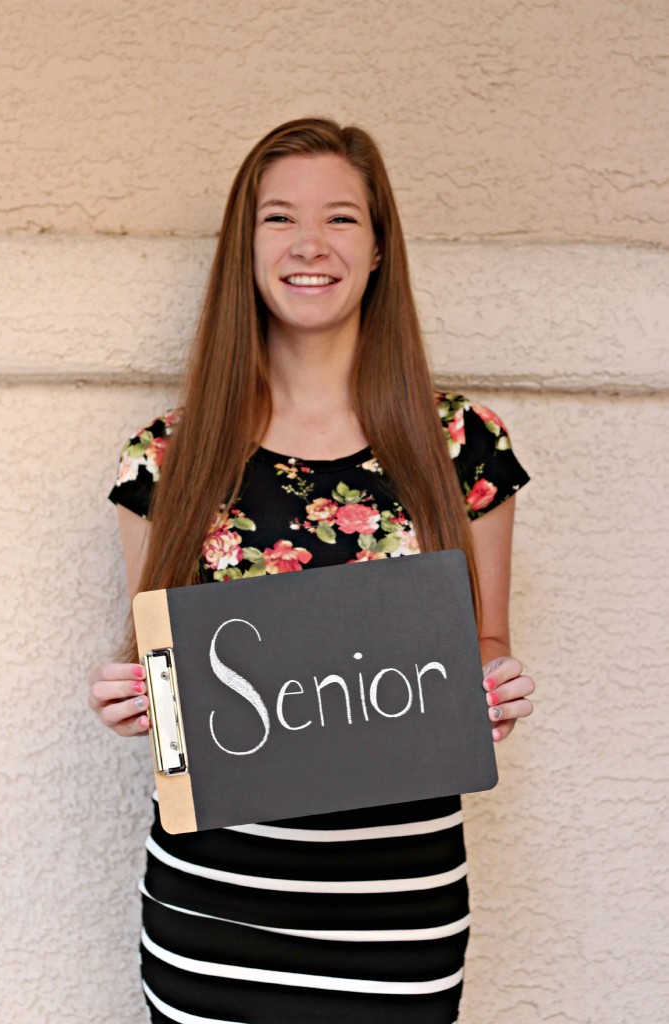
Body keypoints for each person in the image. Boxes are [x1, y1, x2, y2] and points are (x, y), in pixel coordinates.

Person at [89, 117, 534, 1024]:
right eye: (277, 218)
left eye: (341, 219)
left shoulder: (462, 446)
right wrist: (126, 700)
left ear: (378, 249)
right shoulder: (166, 459)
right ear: (243, 249)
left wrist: (497, 686)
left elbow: (483, 644)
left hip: (397, 908)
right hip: (213, 905)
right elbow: (158, 675)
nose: (309, 245)